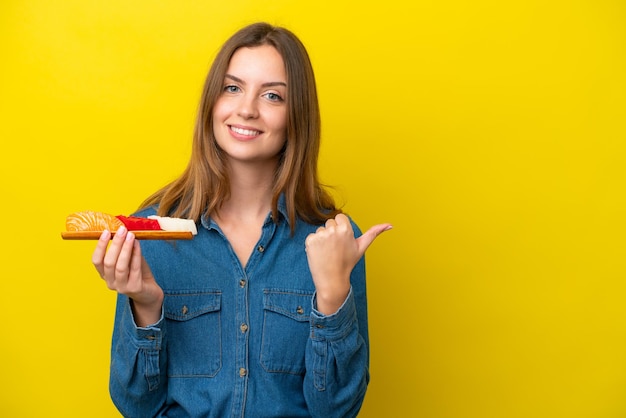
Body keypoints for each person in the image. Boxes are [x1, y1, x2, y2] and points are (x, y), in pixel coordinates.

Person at [92, 22, 391, 418]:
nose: (247, 109)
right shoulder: (152, 233)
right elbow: (135, 405)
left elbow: (336, 410)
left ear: (296, 116)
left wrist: (333, 298)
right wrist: (145, 306)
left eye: (272, 96)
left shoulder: (333, 239)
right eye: (232, 88)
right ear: (212, 102)